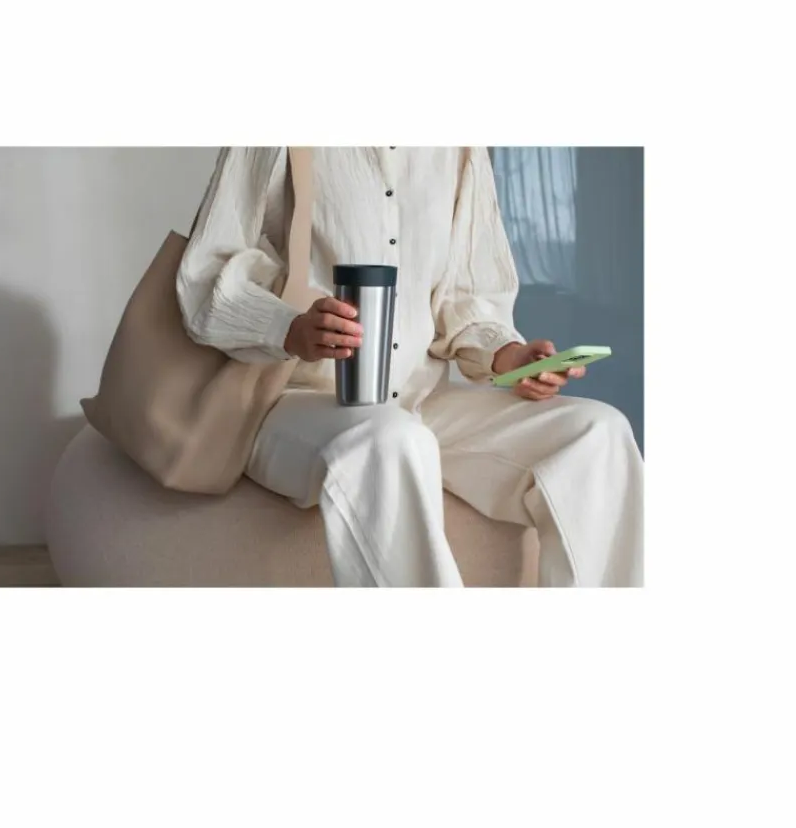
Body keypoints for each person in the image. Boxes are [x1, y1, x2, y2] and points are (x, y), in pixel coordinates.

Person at [176, 147, 642, 587]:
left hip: (420, 401)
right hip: (298, 401)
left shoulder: (458, 146)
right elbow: (204, 274)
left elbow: (465, 295)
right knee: (391, 439)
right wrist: (289, 327)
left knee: (598, 432)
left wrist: (509, 356)